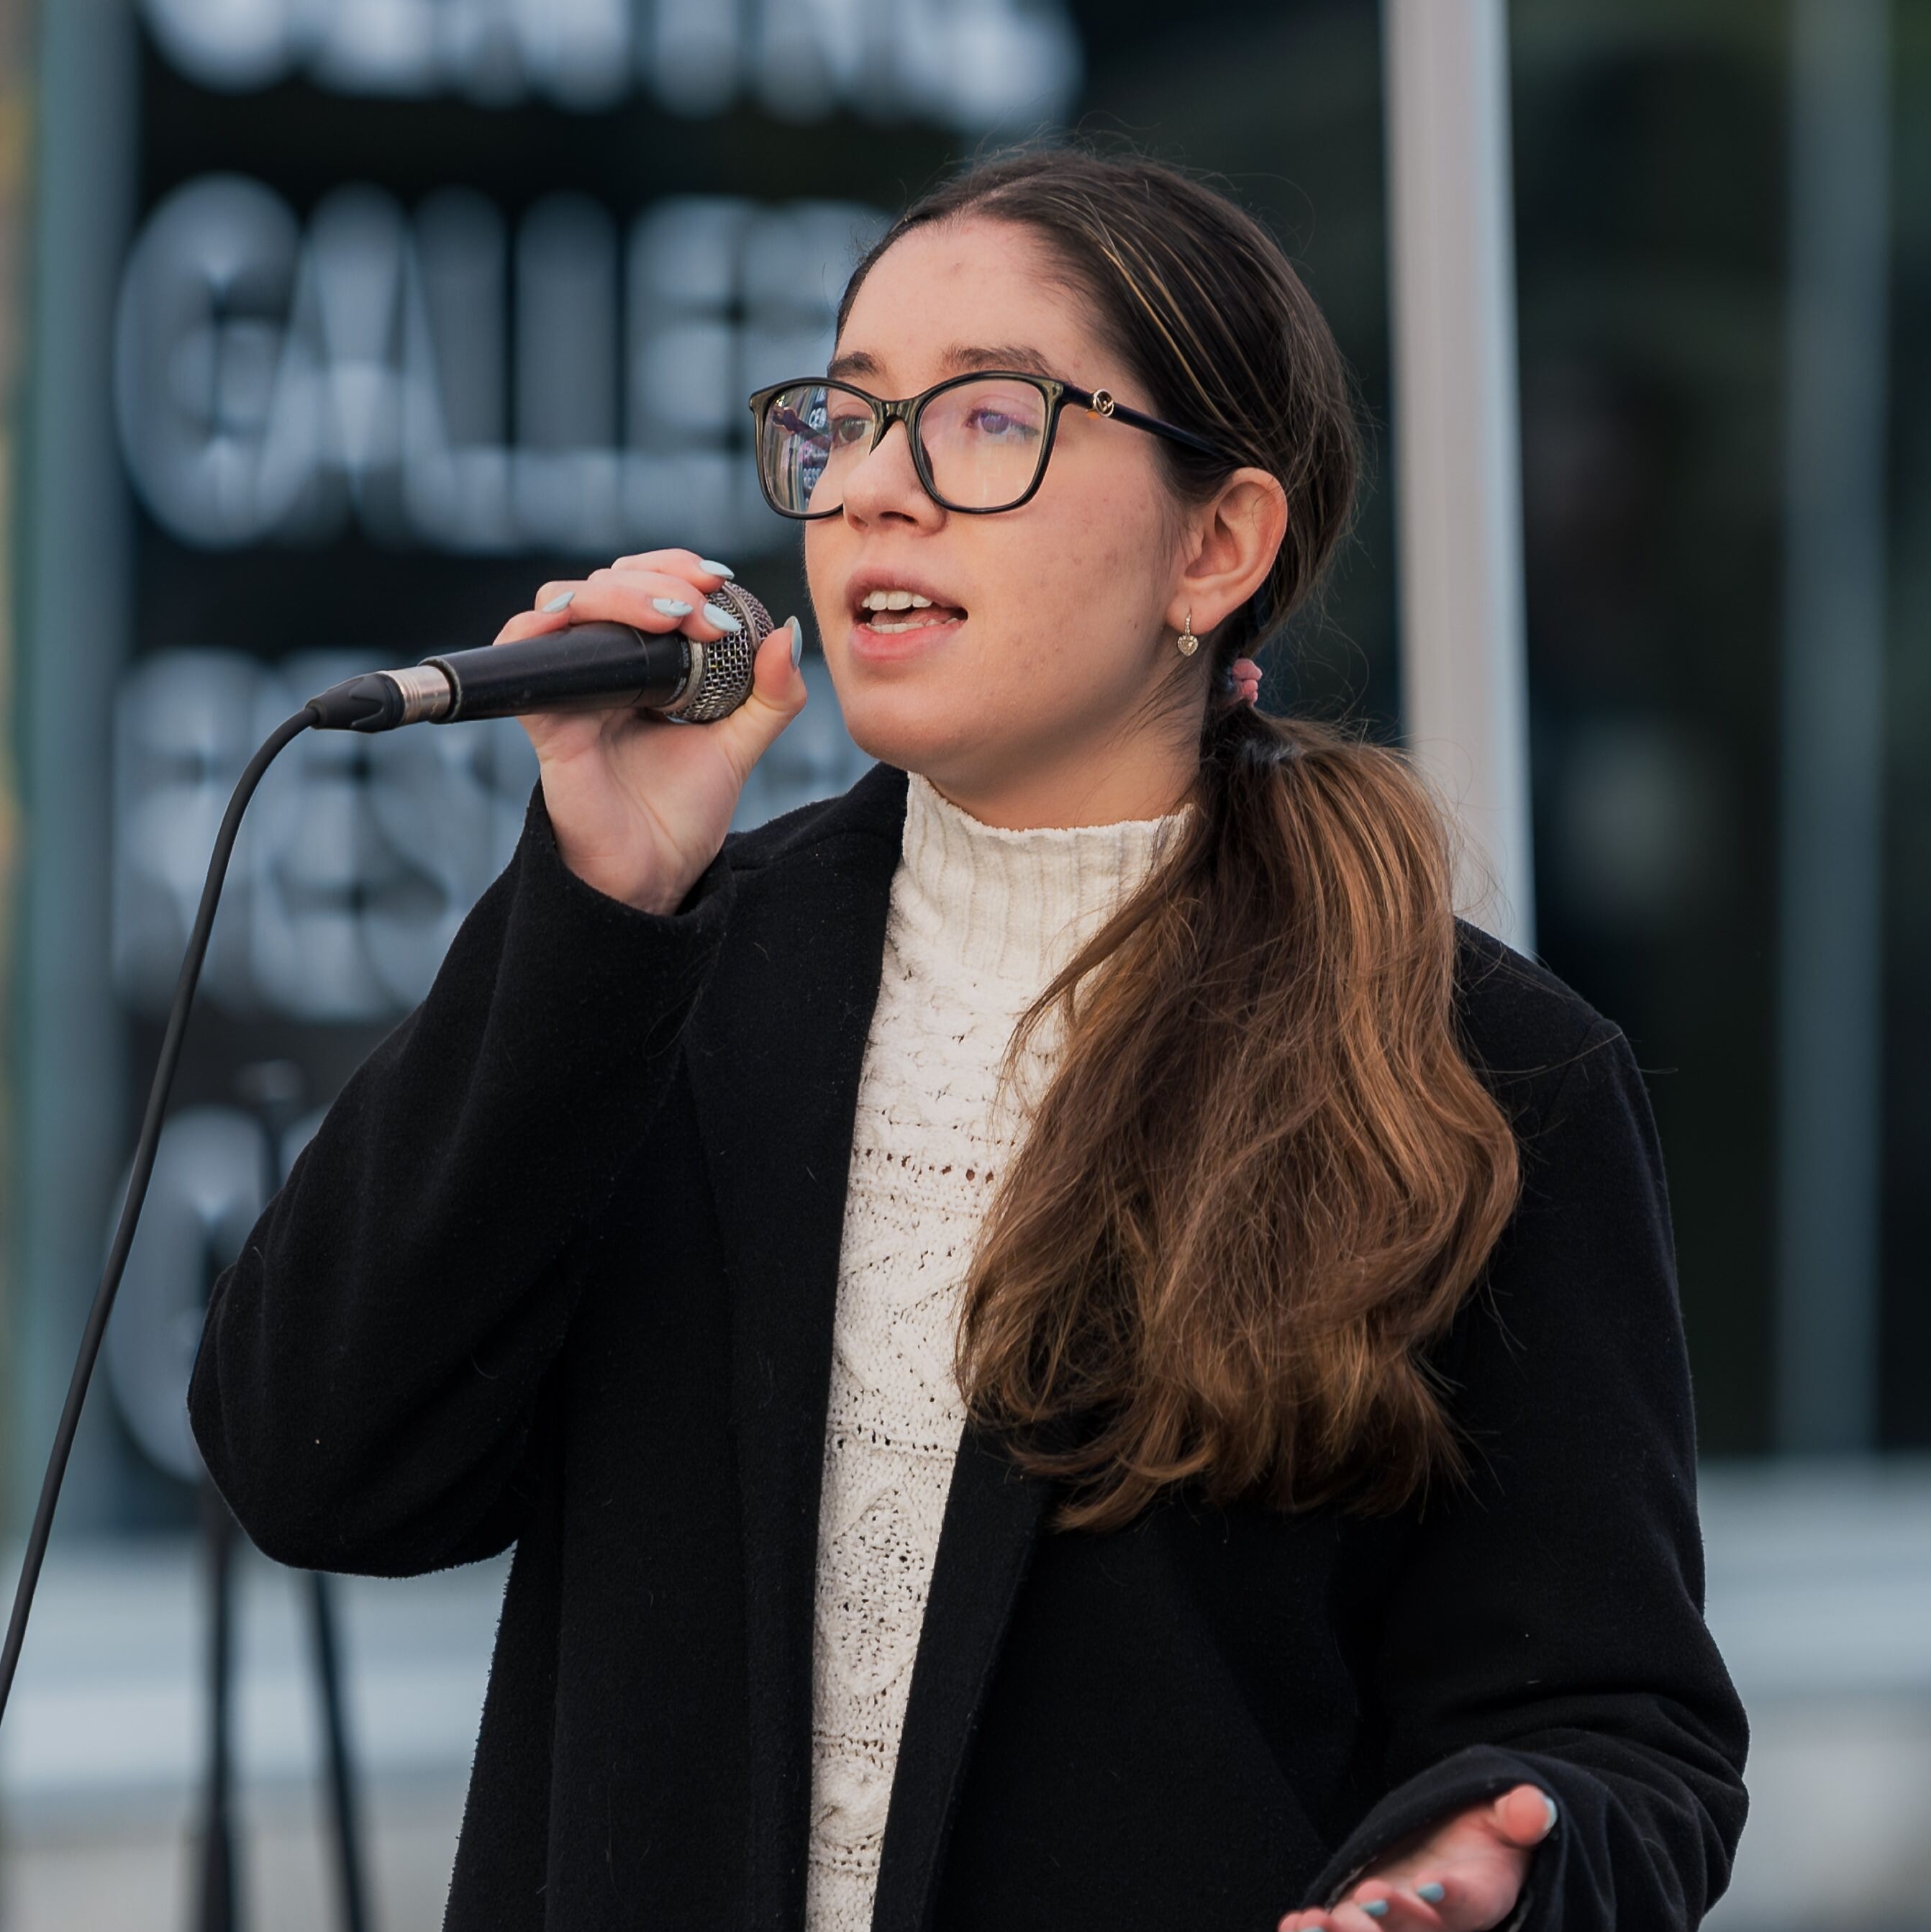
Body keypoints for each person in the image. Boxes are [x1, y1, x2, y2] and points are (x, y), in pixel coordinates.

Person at [190, 147, 1748, 1932]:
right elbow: (311, 1455)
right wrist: (589, 904)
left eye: (983, 420)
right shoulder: (679, 969)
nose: (872, 492)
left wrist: (1479, 1869)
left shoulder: (1475, 1065)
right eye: (845, 422)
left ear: (1216, 544)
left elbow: (1617, 1732)